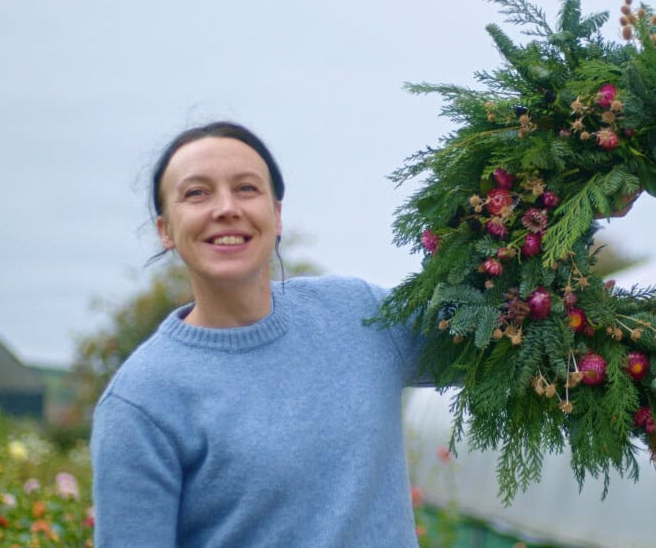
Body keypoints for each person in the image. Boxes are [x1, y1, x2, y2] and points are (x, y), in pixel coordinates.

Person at [90, 121, 428, 546]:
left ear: (277, 215)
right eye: (197, 193)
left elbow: (501, 325)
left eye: (247, 189)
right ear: (166, 230)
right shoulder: (141, 403)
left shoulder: (360, 315)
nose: (226, 208)